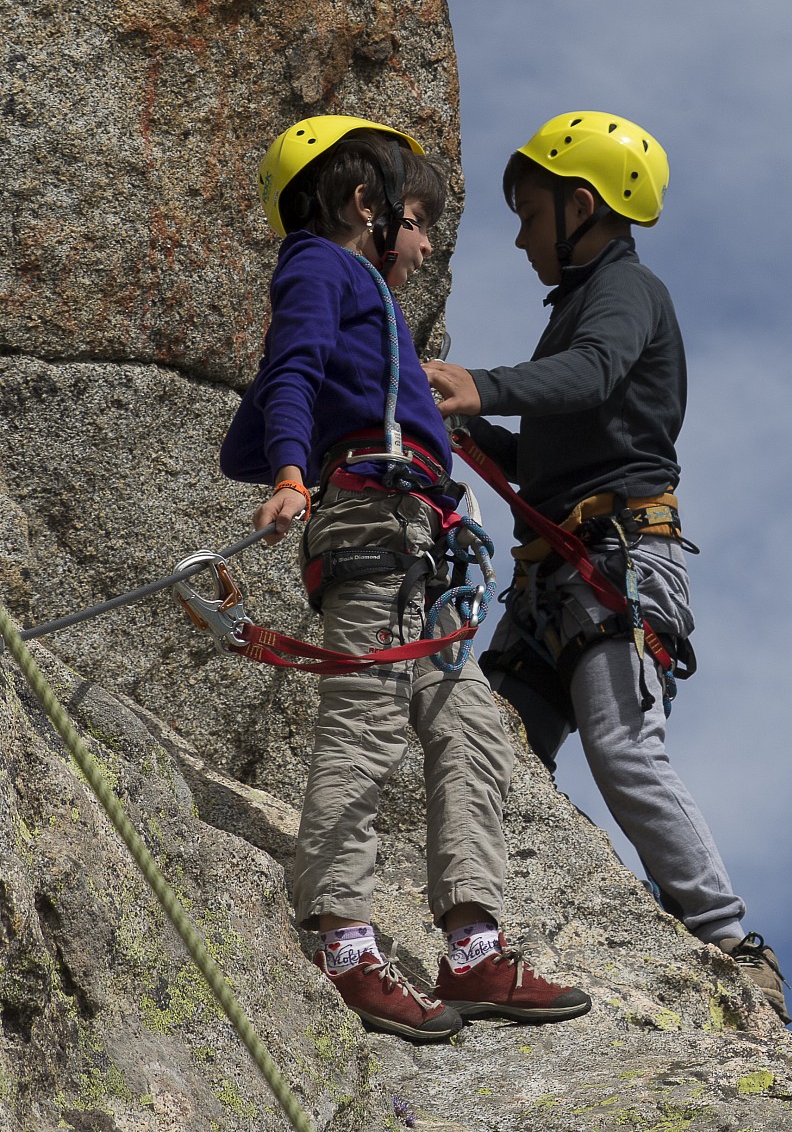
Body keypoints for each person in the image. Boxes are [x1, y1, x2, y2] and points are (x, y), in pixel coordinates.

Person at [221, 115, 589, 1043]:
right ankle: (342, 936)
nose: (425, 246)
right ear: (363, 205)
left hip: (416, 535)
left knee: (466, 720)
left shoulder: (370, 304)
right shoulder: (319, 265)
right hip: (367, 519)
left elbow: (283, 394)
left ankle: (472, 947)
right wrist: (295, 472)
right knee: (366, 714)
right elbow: (290, 369)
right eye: (417, 220)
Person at [422, 111, 786, 1021]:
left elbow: (590, 376)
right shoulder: (581, 310)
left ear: (580, 206)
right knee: (496, 749)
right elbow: (559, 438)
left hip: (617, 565)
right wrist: (472, 427)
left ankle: (729, 940)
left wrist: (481, 386)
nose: (518, 233)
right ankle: (491, 935)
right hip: (564, 569)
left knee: (624, 747)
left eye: (531, 210)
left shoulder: (627, 293)